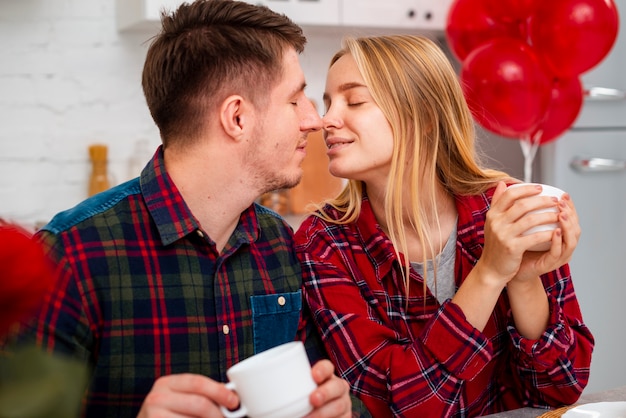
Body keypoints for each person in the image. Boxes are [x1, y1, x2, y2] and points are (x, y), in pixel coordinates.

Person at [9, 1, 354, 417]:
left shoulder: (278, 243)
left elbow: (316, 384)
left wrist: (337, 409)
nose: (314, 121)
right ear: (237, 118)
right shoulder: (71, 256)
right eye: (296, 100)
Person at [294, 34, 594, 417]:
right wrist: (488, 274)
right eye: (328, 102)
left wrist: (521, 278)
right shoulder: (323, 245)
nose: (325, 120)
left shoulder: (508, 209)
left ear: (422, 116)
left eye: (354, 101)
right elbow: (402, 407)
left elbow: (562, 387)